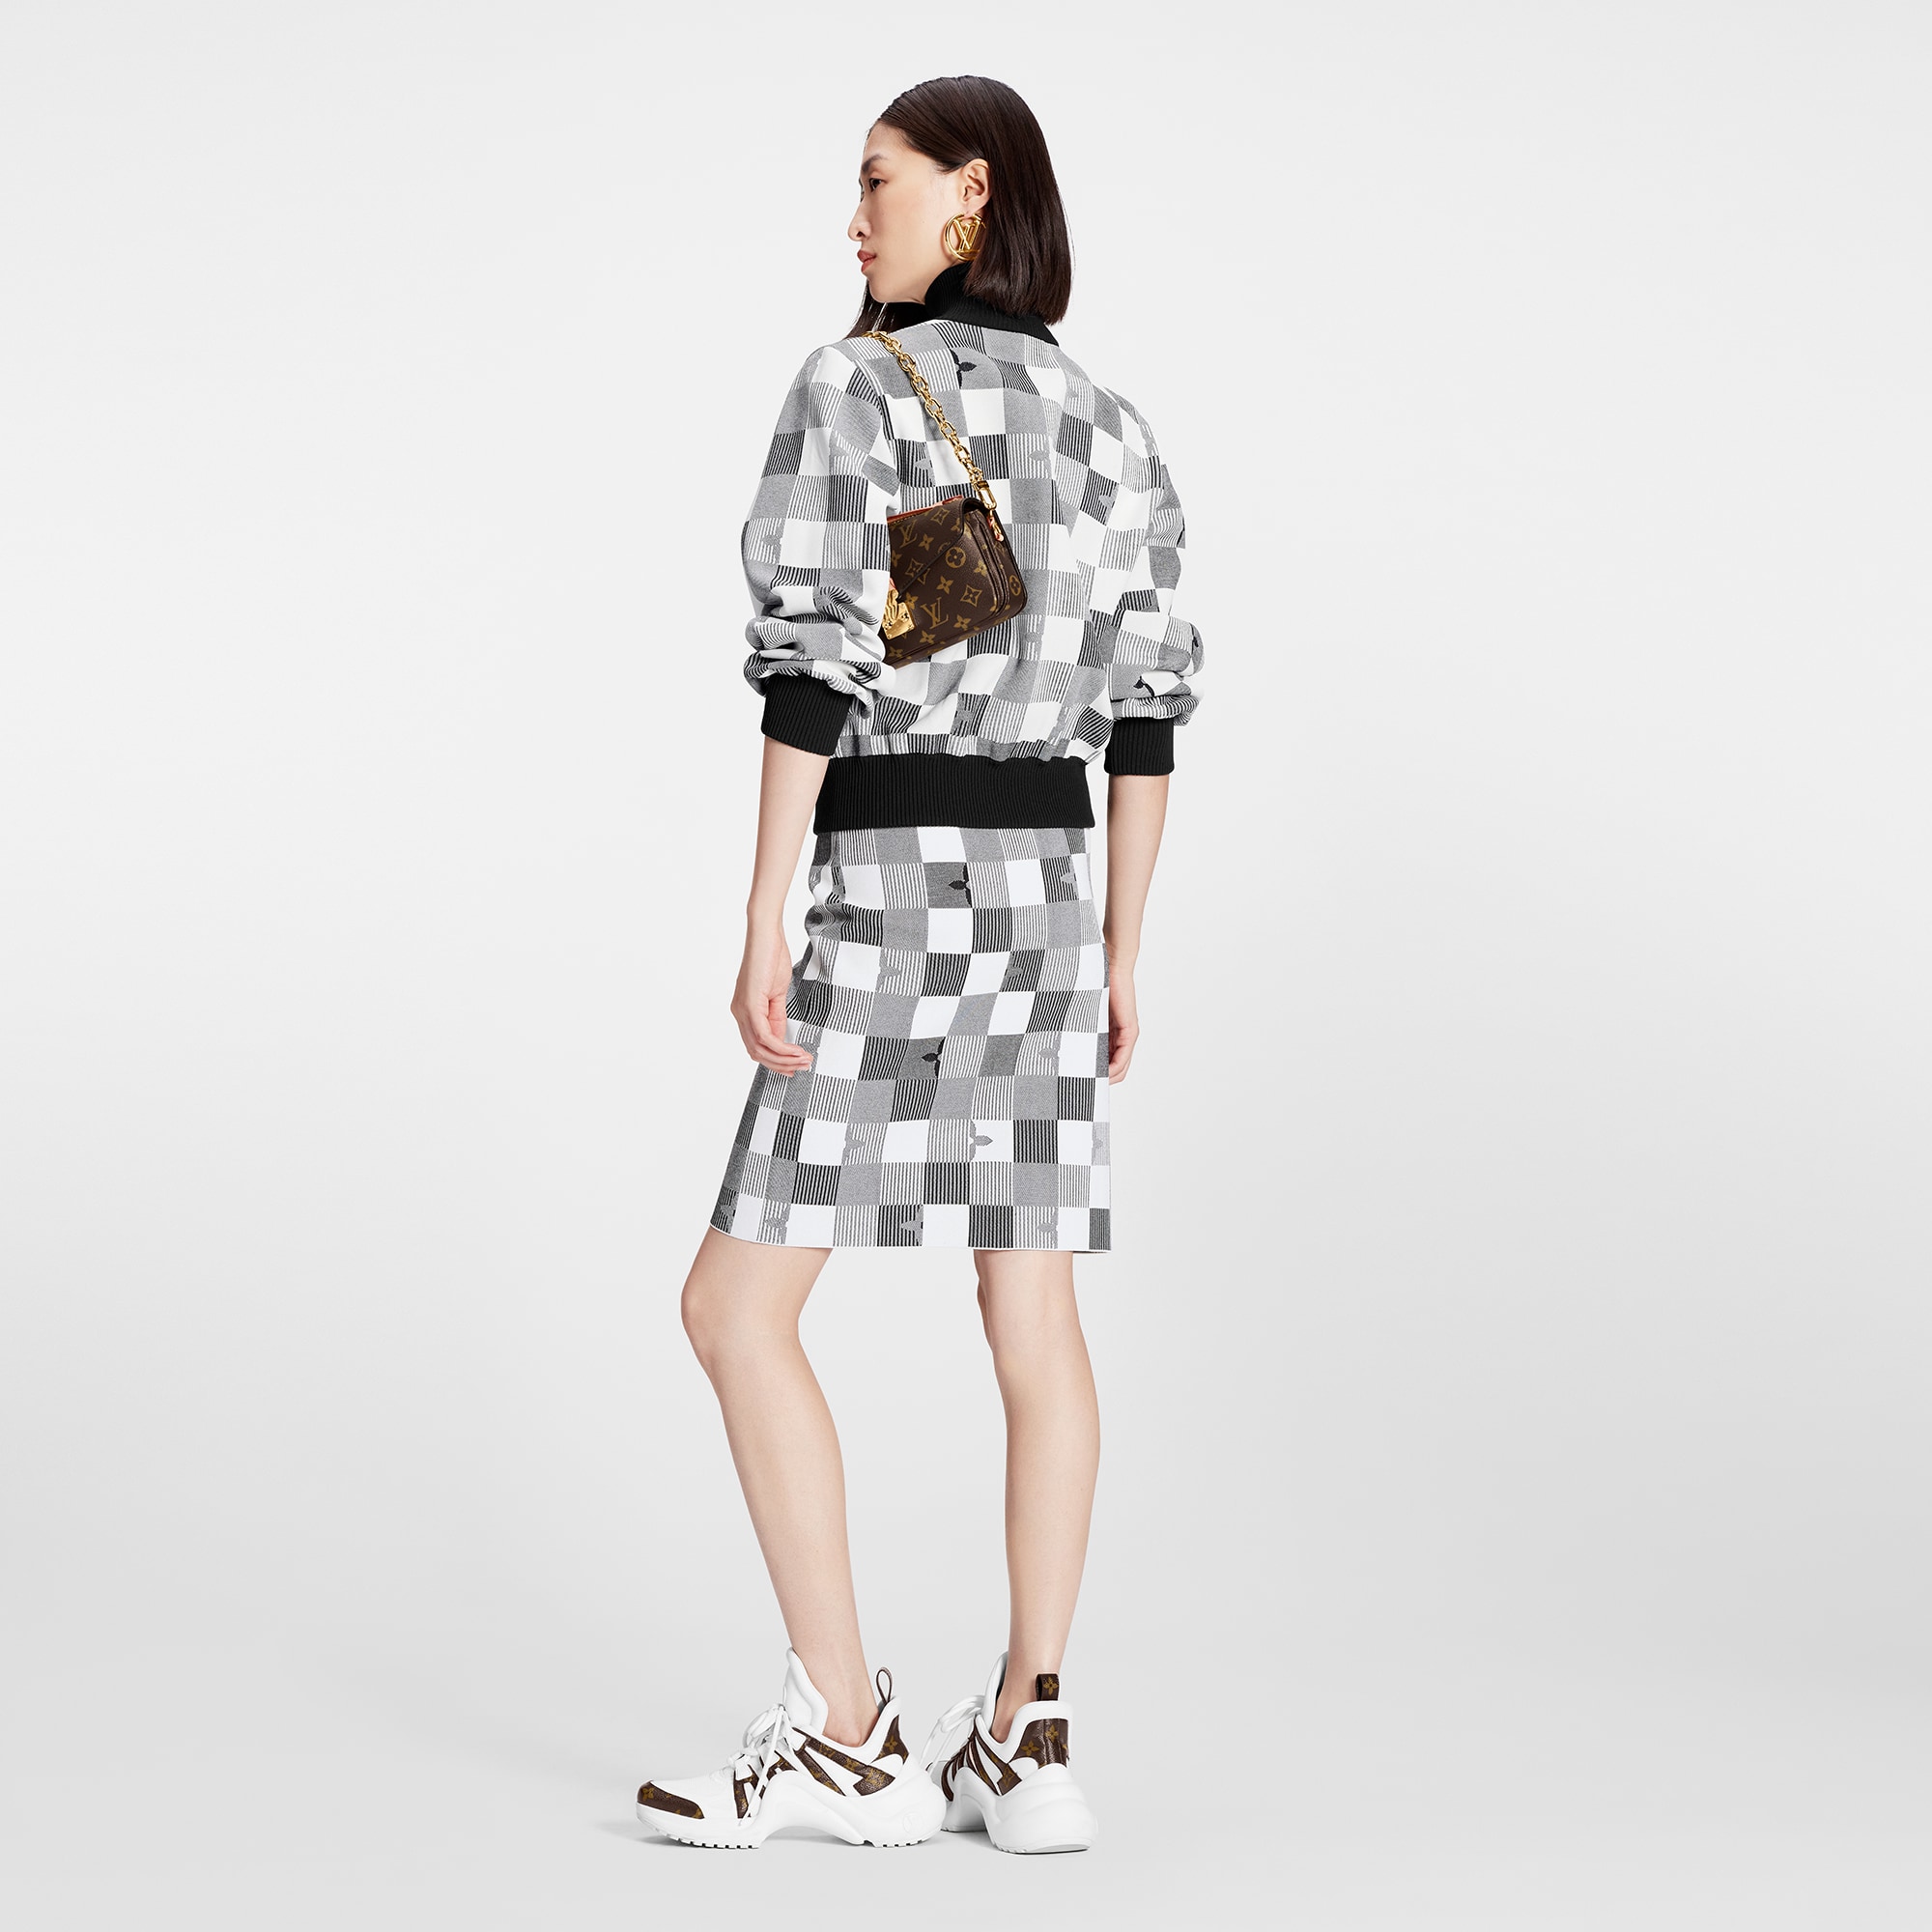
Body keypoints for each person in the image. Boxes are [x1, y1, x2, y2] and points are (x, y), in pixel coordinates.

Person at [635, 74, 1205, 1856]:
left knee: (736, 1308)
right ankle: (1030, 1736)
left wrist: (761, 910)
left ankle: (847, 1731)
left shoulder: (856, 387)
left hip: (894, 886)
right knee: (1032, 1310)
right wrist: (1123, 950)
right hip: (1050, 906)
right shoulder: (1113, 426)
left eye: (877, 181)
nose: (853, 215)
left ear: (970, 194)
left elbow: (818, 664)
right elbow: (1149, 714)